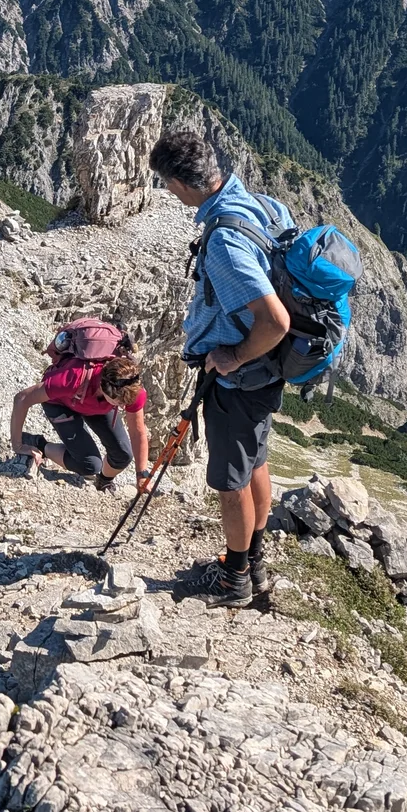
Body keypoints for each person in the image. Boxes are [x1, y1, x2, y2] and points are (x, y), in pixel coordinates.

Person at [148, 130, 292, 608]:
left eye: (167, 185)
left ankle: (234, 580)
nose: (168, 193)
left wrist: (233, 357)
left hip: (239, 378)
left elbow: (275, 320)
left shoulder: (226, 241)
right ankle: (256, 560)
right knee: (257, 462)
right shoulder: (264, 205)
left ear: (179, 184)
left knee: (230, 482)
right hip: (268, 374)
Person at [9, 338, 152, 493]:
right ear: (104, 388)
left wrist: (142, 474)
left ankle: (103, 482)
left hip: (96, 406)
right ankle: (39, 443)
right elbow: (21, 399)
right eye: (120, 403)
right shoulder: (73, 378)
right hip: (60, 404)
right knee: (89, 465)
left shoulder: (130, 389)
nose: (124, 407)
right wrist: (18, 445)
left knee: (123, 454)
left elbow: (137, 432)